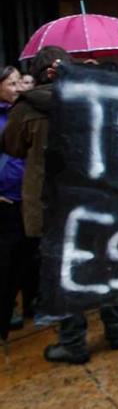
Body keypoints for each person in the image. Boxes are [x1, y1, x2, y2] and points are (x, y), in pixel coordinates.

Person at [3, 47, 118, 363]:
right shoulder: (92, 98)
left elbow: (13, 147)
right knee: (103, 263)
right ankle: (116, 331)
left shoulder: (27, 107)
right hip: (93, 196)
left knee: (64, 272)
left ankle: (74, 343)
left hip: (50, 204)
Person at [0, 66, 27, 341]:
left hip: (23, 197)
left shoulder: (21, 112)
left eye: (20, 81)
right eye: (11, 83)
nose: (18, 87)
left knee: (23, 259)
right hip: (4, 200)